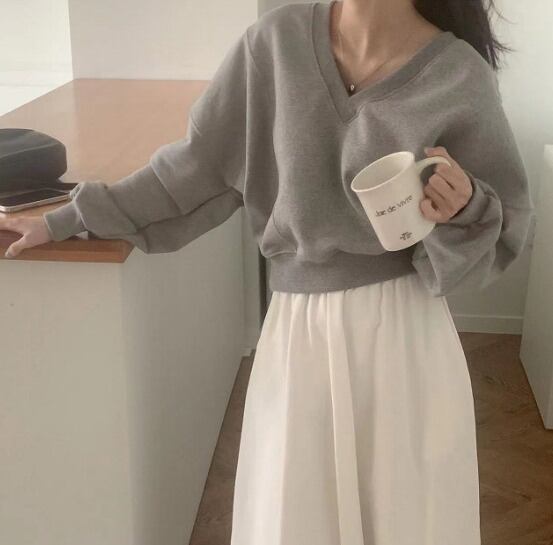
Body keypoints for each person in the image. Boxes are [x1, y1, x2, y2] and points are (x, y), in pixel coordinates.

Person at [0, 0, 534, 543]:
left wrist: (465, 206)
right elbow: (193, 170)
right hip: (299, 336)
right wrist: (69, 218)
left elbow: (504, 224)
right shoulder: (275, 43)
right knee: (292, 518)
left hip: (405, 339)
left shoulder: (458, 74)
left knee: (406, 521)